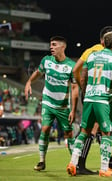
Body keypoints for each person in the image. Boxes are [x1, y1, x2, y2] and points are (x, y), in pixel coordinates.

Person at [67, 31, 112, 177]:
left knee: (84, 131)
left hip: (89, 97)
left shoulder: (91, 55)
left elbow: (82, 78)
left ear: (103, 43)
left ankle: (72, 163)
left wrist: (86, 93)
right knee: (106, 132)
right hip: (102, 99)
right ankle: (104, 168)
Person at [24, 36, 79, 171]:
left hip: (63, 106)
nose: (51, 47)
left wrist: (73, 110)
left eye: (54, 45)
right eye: (50, 45)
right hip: (48, 103)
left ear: (63, 47)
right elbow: (38, 73)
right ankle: (42, 161)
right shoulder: (46, 60)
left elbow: (75, 88)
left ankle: (74, 163)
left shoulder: (72, 66)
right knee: (45, 129)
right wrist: (29, 82)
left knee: (68, 134)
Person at [72, 26, 112, 175]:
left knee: (93, 128)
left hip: (88, 92)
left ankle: (107, 161)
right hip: (102, 95)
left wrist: (83, 89)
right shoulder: (111, 53)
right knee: (96, 128)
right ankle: (82, 164)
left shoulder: (89, 51)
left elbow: (75, 70)